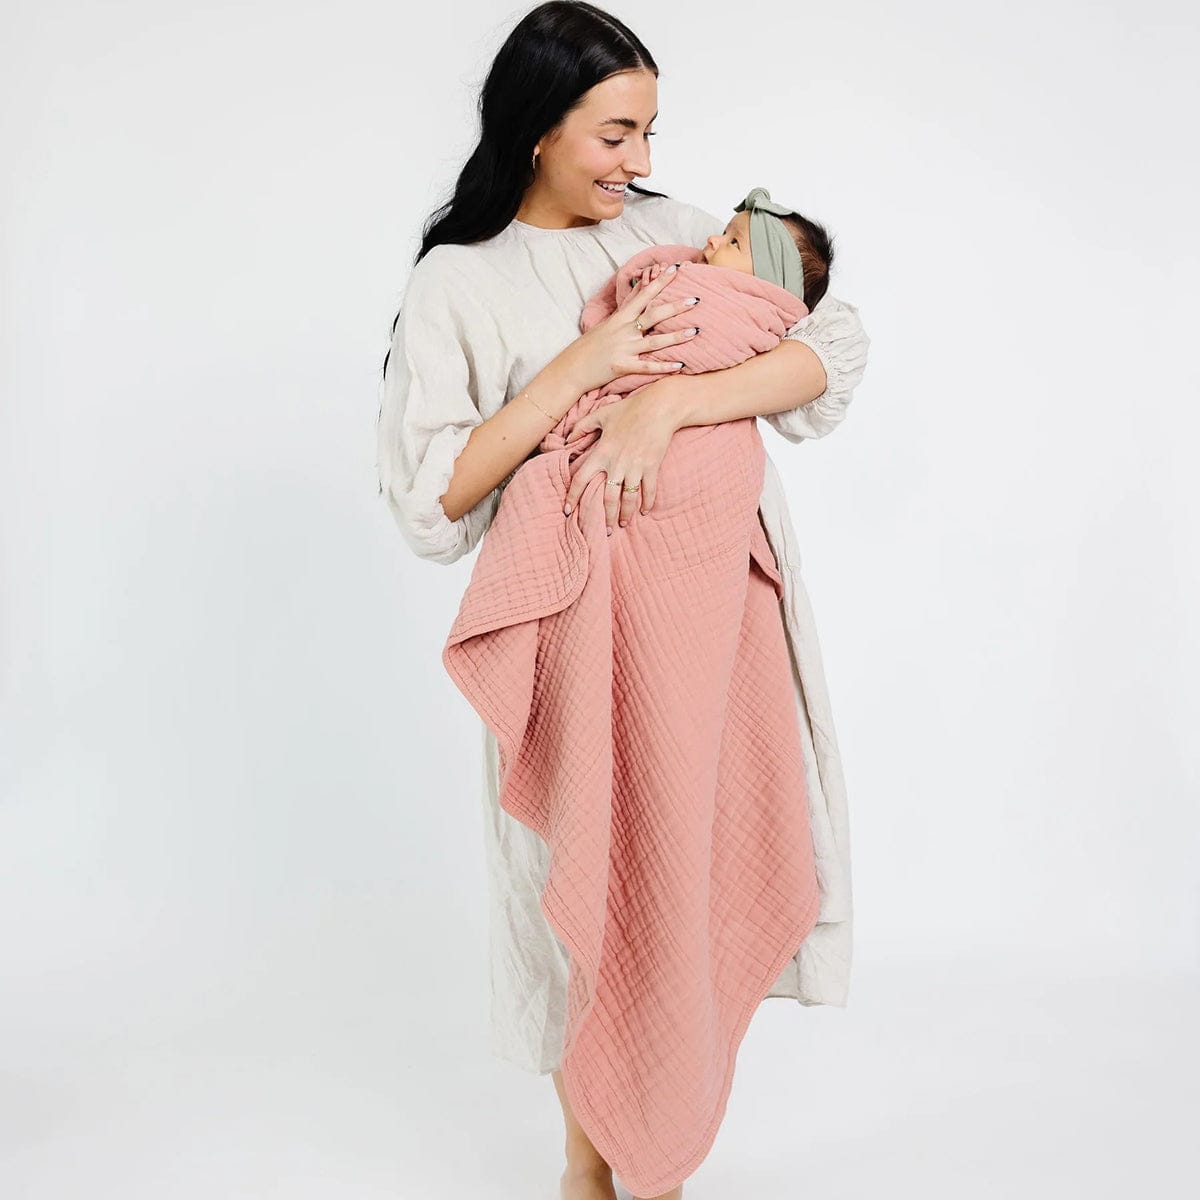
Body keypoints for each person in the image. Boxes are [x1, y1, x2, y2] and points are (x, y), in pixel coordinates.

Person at [375, 4, 870, 1198]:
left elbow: (835, 347)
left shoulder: (684, 232)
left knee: (685, 880)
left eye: (650, 131)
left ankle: (652, 1166)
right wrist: (582, 371)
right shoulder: (461, 282)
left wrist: (668, 406)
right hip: (570, 646)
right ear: (536, 129)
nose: (640, 161)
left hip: (707, 636)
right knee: (584, 892)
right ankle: (590, 1168)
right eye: (615, 135)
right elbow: (432, 501)